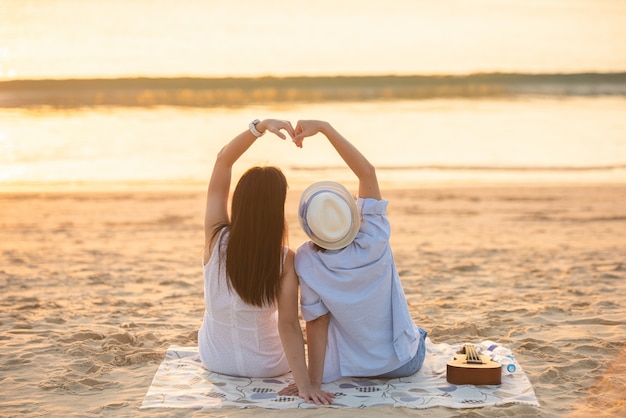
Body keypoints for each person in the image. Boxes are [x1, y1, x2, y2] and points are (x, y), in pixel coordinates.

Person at [198, 118, 334, 405]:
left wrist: (258, 128)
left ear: (239, 202)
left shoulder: (214, 238)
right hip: (267, 366)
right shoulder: (284, 259)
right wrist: (304, 383)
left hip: (215, 359)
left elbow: (223, 161)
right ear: (276, 210)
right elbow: (288, 325)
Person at [285, 120, 428, 391]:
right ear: (352, 216)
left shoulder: (306, 260)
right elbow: (367, 173)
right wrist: (325, 128)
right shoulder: (375, 235)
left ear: (309, 225)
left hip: (352, 370)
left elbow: (317, 323)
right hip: (403, 364)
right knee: (416, 333)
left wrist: (314, 383)